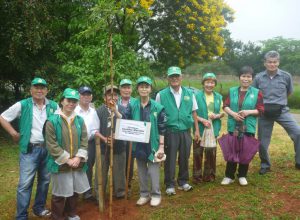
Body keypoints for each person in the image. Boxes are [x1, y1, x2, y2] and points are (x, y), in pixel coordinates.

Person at [0, 77, 57, 219]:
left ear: (46, 90)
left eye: (42, 88)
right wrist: (13, 132)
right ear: (30, 90)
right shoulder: (23, 105)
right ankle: (21, 216)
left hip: (48, 150)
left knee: (44, 182)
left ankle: (38, 208)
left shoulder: (54, 106)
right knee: (25, 184)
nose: (39, 90)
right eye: (36, 87)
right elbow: (2, 117)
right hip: (30, 150)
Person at [45, 88, 89, 220]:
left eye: (74, 101)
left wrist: (78, 157)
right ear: (62, 101)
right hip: (60, 163)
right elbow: (51, 144)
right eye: (68, 100)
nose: (71, 103)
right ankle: (56, 216)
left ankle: (71, 213)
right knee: (59, 193)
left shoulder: (79, 120)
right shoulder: (52, 120)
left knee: (74, 190)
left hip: (77, 162)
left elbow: (84, 139)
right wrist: (67, 159)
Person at [252, 51, 300, 175]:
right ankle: (265, 165)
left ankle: (299, 161)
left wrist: (280, 102)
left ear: (278, 62)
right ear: (265, 63)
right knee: (262, 142)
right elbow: (254, 94)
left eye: (274, 62)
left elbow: (289, 92)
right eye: (269, 62)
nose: (272, 64)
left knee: (298, 133)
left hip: (282, 111)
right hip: (264, 112)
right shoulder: (258, 77)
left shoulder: (286, 76)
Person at [156, 66, 200, 195]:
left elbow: (194, 112)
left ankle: (183, 182)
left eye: (177, 76)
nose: (174, 78)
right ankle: (169, 184)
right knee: (170, 158)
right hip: (170, 131)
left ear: (181, 77)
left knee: (184, 157)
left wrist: (196, 130)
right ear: (168, 78)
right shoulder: (161, 95)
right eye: (172, 76)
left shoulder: (189, 93)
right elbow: (158, 114)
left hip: (186, 130)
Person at [221, 66, 264, 186]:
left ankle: (242, 175)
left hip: (247, 126)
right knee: (232, 148)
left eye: (248, 76)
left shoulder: (257, 93)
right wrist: (233, 114)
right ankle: (229, 175)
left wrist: (248, 112)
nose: (246, 79)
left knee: (245, 149)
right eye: (243, 76)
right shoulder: (232, 91)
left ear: (252, 78)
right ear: (239, 77)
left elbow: (260, 110)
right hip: (234, 125)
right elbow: (225, 106)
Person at [131, 76, 167, 207]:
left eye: (146, 86)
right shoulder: (133, 104)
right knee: (141, 171)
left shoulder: (158, 107)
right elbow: (125, 120)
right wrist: (115, 111)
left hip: (153, 144)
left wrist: (161, 147)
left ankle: (156, 194)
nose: (144, 89)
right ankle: (144, 194)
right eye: (141, 86)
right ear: (138, 89)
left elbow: (162, 128)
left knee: (153, 171)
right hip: (138, 144)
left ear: (150, 89)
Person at [95, 85, 125, 199]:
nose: (113, 97)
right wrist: (104, 138)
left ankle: (120, 193)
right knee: (101, 172)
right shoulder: (98, 111)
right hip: (103, 148)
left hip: (119, 147)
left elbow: (127, 126)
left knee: (119, 172)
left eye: (115, 95)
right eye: (109, 95)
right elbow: (94, 130)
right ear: (104, 97)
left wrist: (117, 135)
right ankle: (99, 195)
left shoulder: (123, 109)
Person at [193, 73, 224, 183]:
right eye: (207, 82)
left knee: (211, 152)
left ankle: (209, 176)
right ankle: (197, 177)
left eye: (212, 82)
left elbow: (222, 112)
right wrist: (202, 120)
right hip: (200, 128)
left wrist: (217, 116)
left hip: (213, 127)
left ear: (215, 84)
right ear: (203, 83)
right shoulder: (196, 96)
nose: (209, 85)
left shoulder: (219, 97)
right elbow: (192, 112)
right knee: (197, 152)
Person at [74, 86, 100, 200]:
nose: (86, 97)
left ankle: (87, 192)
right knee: (75, 167)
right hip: (75, 144)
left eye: (88, 94)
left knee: (88, 167)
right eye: (83, 94)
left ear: (91, 97)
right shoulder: (73, 109)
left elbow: (96, 129)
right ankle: (73, 192)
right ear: (79, 96)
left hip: (90, 144)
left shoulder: (93, 111)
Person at [118, 79, 136, 195]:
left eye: (128, 87)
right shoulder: (115, 102)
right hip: (118, 137)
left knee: (129, 161)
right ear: (120, 89)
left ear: (131, 89)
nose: (126, 90)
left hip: (132, 136)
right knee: (119, 161)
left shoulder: (136, 102)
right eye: (124, 87)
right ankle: (118, 184)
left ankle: (127, 185)